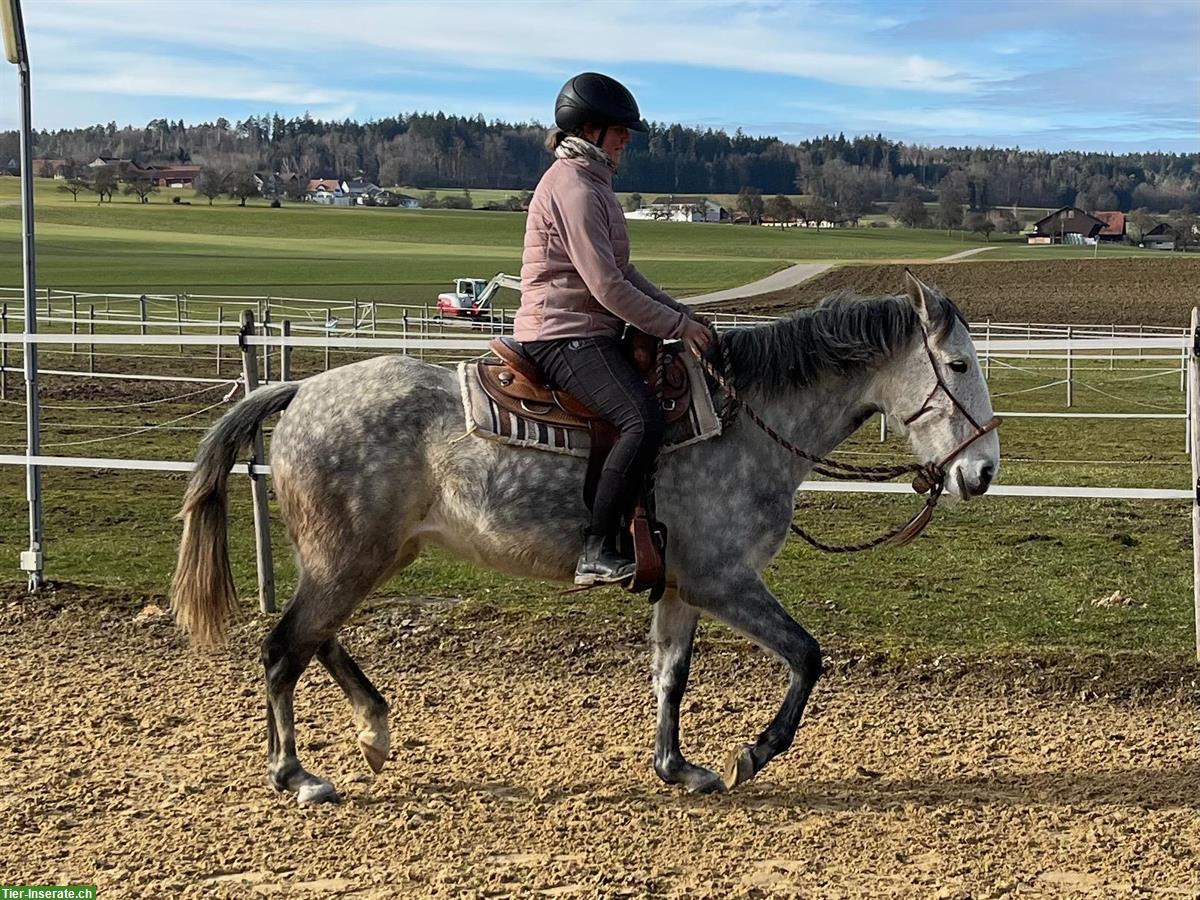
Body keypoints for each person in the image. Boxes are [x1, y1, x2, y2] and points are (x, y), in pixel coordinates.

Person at [514, 72, 713, 586]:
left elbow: (625, 272)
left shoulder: (591, 184)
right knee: (640, 420)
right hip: (563, 330)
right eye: (620, 129)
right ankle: (597, 547)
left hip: (583, 325)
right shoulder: (575, 189)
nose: (628, 138)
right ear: (591, 129)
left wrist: (681, 314)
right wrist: (676, 325)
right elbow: (606, 286)